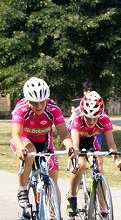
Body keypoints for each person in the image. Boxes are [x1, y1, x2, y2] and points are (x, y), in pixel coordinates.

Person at [11, 77, 76, 208]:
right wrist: (20, 148)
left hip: (45, 141)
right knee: (29, 151)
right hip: (24, 140)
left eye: (42, 102)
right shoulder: (21, 110)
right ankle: (22, 190)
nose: (39, 106)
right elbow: (16, 134)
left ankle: (54, 217)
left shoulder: (53, 109)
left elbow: (64, 133)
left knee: (53, 178)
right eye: (34, 103)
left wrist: (70, 146)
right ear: (28, 100)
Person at [66, 90, 121, 218]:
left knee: (99, 167)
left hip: (91, 139)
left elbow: (111, 144)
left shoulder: (104, 119)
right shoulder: (77, 118)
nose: (91, 120)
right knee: (81, 164)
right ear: (83, 113)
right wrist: (75, 157)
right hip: (75, 138)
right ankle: (72, 196)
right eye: (88, 117)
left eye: (94, 117)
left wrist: (117, 160)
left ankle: (103, 209)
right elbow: (76, 146)